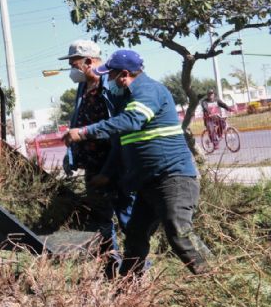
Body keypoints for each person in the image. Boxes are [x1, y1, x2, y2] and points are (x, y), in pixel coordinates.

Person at [63, 49, 212, 276]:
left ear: (124, 74)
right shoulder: (127, 97)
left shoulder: (148, 91)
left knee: (178, 231)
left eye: (110, 75)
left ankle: (213, 275)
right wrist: (108, 172)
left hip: (172, 178)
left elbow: (131, 121)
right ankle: (128, 285)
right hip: (147, 183)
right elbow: (122, 142)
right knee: (135, 236)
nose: (108, 81)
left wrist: (84, 132)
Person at [58, 40, 135, 277]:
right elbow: (79, 122)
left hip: (116, 164)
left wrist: (112, 168)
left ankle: (136, 271)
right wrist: (70, 154)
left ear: (89, 61)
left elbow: (121, 124)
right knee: (101, 221)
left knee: (127, 218)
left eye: (74, 64)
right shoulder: (83, 88)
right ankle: (111, 270)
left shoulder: (112, 86)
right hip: (92, 165)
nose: (72, 70)